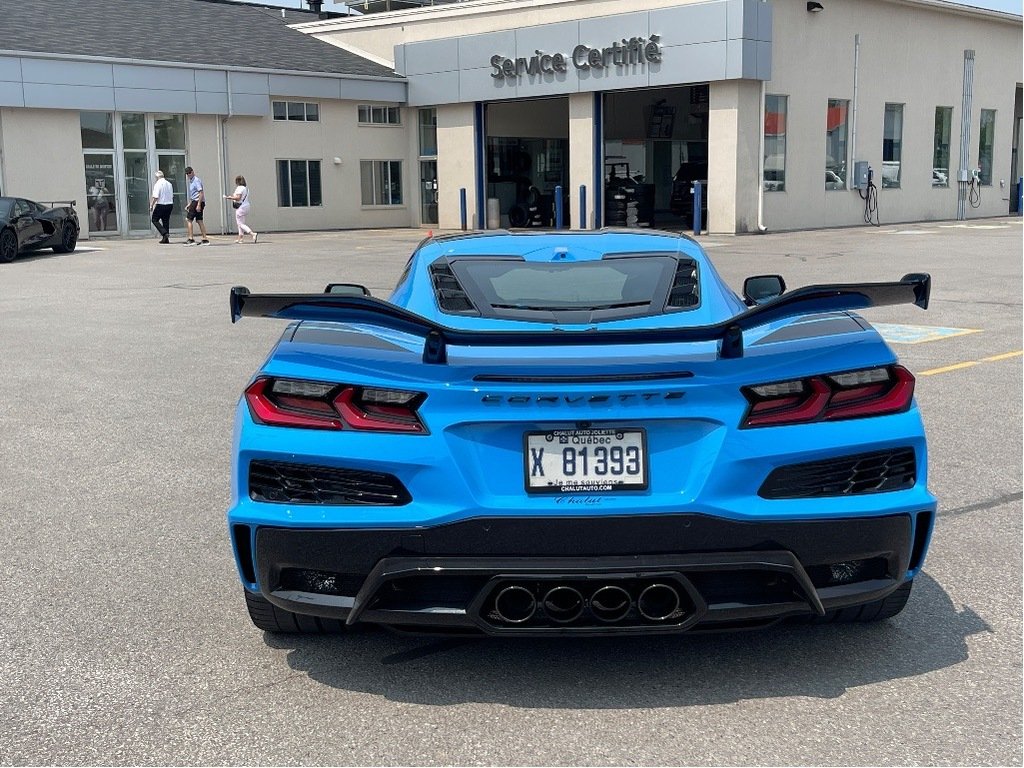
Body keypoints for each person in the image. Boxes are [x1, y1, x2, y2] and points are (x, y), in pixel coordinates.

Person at [224, 174, 257, 244]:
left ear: (237, 181)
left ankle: (252, 233)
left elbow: (238, 198)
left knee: (240, 224)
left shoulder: (239, 188)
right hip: (246, 206)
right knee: (241, 223)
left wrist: (229, 197)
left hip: (241, 207)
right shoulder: (246, 188)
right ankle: (240, 238)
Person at [183, 166, 210, 245]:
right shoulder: (191, 181)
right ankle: (205, 239)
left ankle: (191, 238)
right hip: (195, 201)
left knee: (189, 219)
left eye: (189, 173)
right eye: (187, 174)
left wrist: (198, 204)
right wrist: (190, 204)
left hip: (198, 201)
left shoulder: (196, 180)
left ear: (192, 172)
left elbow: (200, 193)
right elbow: (194, 195)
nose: (188, 175)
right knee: (199, 220)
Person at [150, 170, 174, 244]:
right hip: (169, 204)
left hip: (161, 204)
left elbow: (156, 196)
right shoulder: (169, 184)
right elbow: (171, 195)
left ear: (157, 177)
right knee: (165, 221)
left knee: (154, 219)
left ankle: (164, 233)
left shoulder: (158, 184)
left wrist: (151, 205)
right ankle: (165, 239)